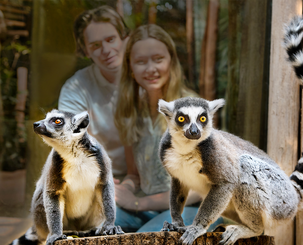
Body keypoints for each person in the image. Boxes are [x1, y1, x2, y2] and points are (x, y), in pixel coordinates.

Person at [113, 24, 208, 233]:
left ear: (171, 62)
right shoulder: (128, 112)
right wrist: (121, 190)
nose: (150, 69)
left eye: (158, 59)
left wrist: (138, 203)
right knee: (100, 221)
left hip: (189, 207)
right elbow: (135, 175)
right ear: (130, 68)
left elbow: (199, 188)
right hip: (146, 207)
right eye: (140, 62)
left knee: (145, 243)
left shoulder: (192, 110)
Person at [58, 6, 130, 178]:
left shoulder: (147, 77)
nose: (106, 50)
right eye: (96, 45)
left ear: (123, 38)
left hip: (154, 177)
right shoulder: (75, 88)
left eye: (111, 39)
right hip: (100, 179)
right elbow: (71, 146)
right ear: (85, 51)